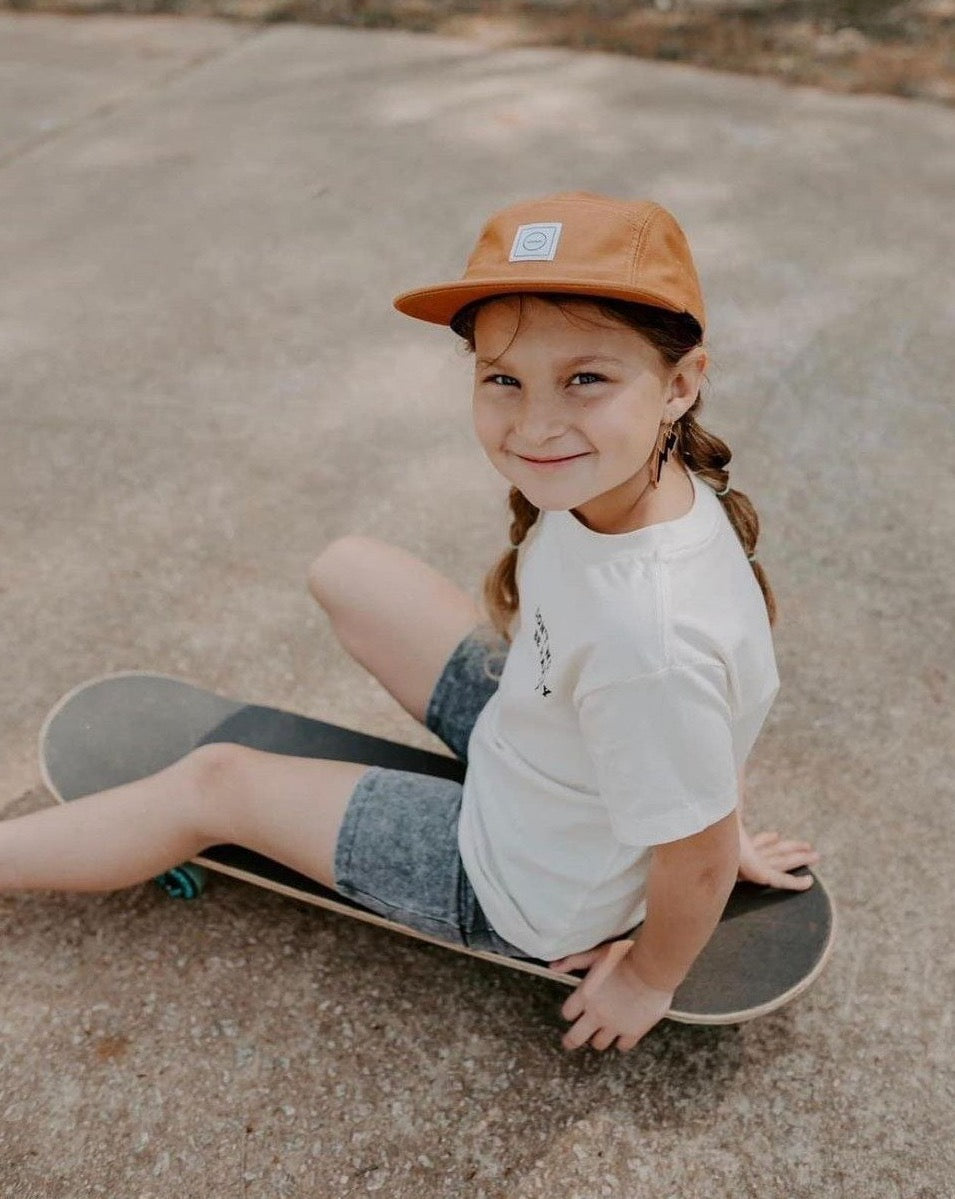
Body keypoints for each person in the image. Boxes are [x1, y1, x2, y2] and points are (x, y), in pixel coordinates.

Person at [3, 192, 818, 1053]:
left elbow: (685, 844)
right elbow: (702, 715)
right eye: (503, 378)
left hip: (521, 877)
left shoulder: (647, 639)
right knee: (349, 570)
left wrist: (650, 974)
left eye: (586, 377)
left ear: (679, 383)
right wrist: (712, 803)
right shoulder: (625, 489)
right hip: (543, 735)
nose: (535, 423)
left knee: (217, 783)